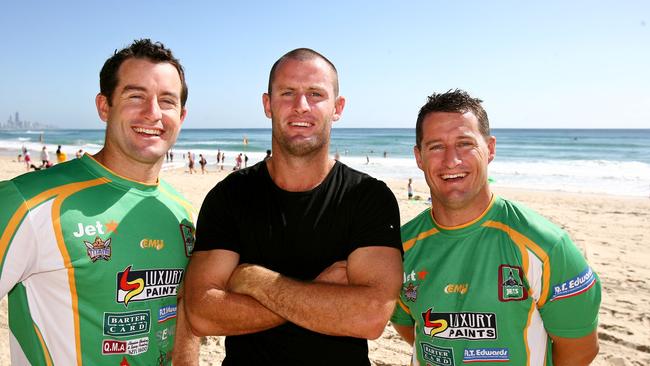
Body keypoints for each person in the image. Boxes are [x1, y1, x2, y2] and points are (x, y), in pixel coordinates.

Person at [178, 48, 403, 365]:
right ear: (267, 104)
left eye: (315, 94)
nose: (301, 106)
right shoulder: (229, 196)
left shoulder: (368, 197)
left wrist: (255, 281)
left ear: (337, 107)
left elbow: (370, 316)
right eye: (287, 93)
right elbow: (202, 313)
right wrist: (320, 294)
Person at [0, 39, 198, 365]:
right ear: (104, 106)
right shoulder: (29, 203)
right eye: (135, 96)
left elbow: (183, 322)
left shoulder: (184, 214)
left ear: (182, 114)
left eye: (167, 101)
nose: (153, 113)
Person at [390, 89, 601, 366]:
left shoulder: (546, 245)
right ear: (419, 157)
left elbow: (580, 350)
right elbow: (409, 327)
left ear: (489, 149)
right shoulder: (399, 248)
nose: (451, 160)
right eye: (436, 146)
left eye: (465, 143)